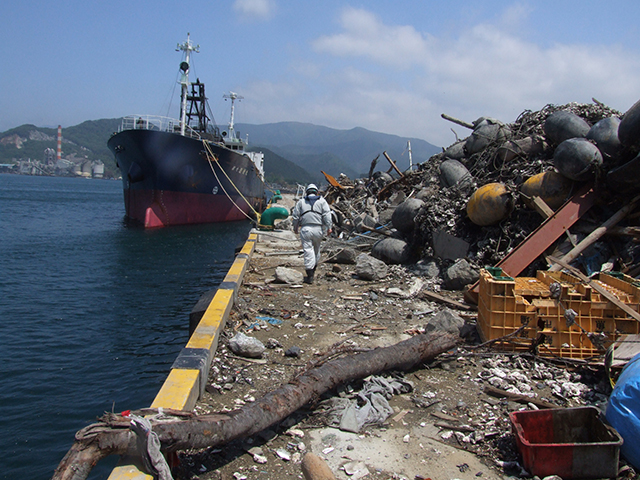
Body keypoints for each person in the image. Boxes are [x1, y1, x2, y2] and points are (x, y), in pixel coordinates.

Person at [292, 184, 332, 284]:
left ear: (307, 192)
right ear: (316, 192)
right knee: (317, 250)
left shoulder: (301, 201)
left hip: (306, 229)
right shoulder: (322, 201)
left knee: (308, 250)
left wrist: (295, 227)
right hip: (318, 229)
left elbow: (296, 216)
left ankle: (310, 275)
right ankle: (313, 270)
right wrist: (329, 228)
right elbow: (327, 215)